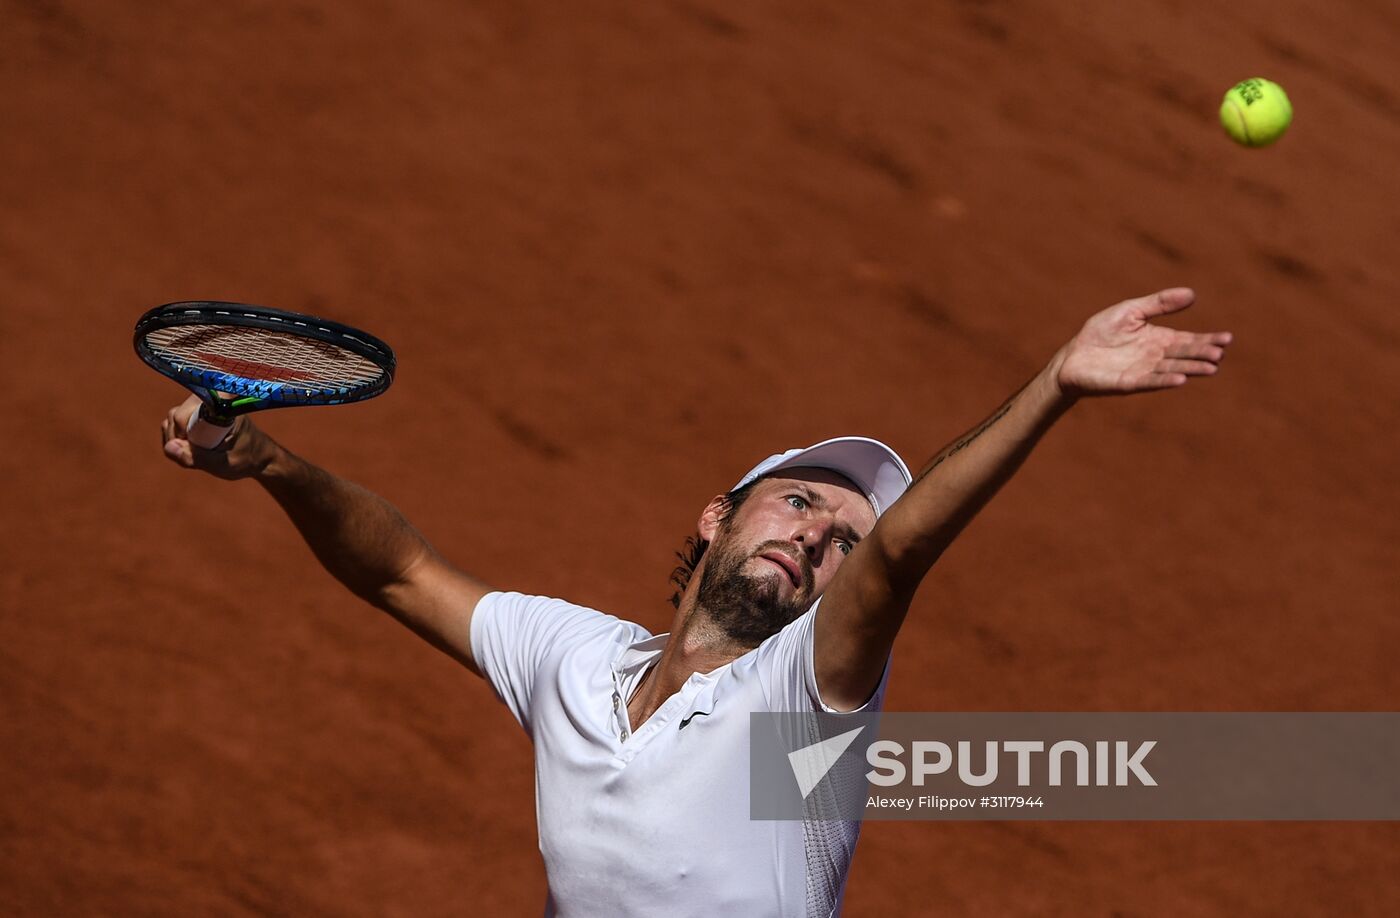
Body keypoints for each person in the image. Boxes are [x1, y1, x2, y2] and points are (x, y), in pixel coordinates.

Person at [159, 288, 1231, 917]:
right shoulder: (577, 663)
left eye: (842, 544)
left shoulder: (802, 710)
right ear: (717, 516)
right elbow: (400, 570)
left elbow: (904, 547)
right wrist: (270, 463)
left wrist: (1052, 385)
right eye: (798, 501)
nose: (816, 535)